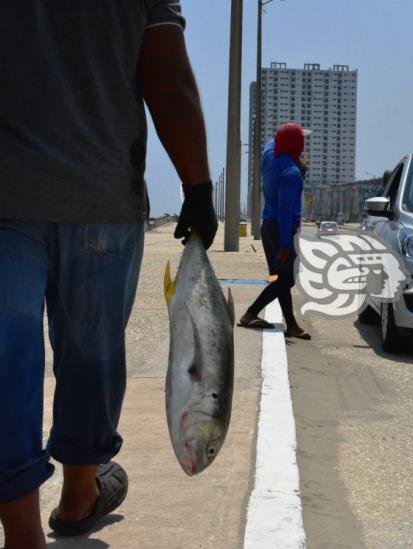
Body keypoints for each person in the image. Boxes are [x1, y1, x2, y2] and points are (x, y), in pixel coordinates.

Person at [0, 2, 217, 547]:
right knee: (92, 353)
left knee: (6, 362)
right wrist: (196, 186)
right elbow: (166, 78)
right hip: (101, 192)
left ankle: (21, 527)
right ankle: (78, 495)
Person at [239, 123, 311, 340]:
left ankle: (292, 325)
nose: (304, 145)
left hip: (267, 225)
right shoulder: (290, 174)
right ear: (295, 146)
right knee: (285, 280)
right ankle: (251, 313)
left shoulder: (270, 153)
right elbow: (286, 211)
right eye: (301, 141)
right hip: (281, 229)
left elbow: (276, 139)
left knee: (278, 277)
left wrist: (298, 162)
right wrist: (286, 245)